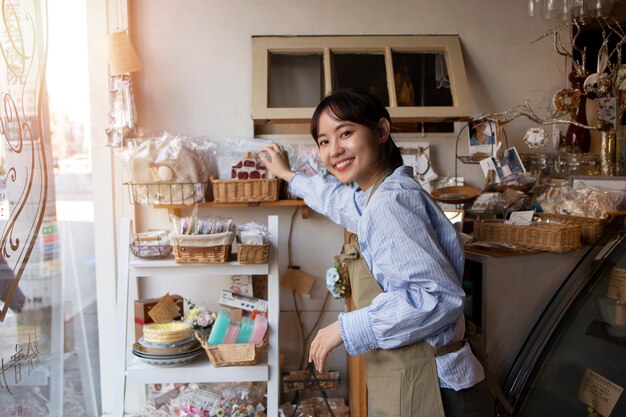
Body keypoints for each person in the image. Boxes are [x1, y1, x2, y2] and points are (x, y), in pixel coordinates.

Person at [261, 88, 494, 417]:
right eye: (324, 141)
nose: (334, 150)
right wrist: (288, 176)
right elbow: (339, 201)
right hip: (432, 381)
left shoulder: (388, 203)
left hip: (438, 391)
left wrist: (343, 328)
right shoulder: (378, 194)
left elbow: (437, 296)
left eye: (346, 133)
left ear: (382, 131)